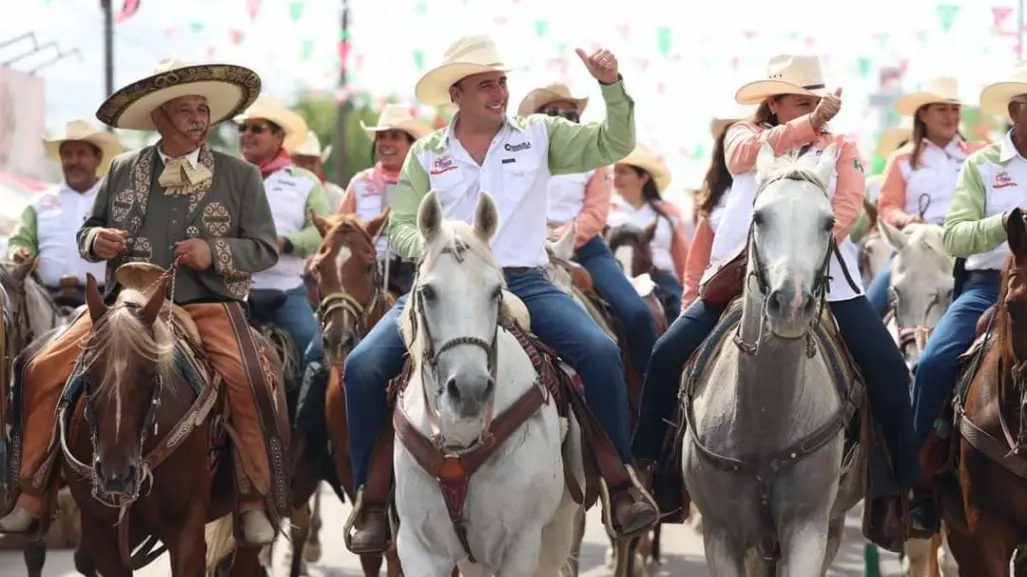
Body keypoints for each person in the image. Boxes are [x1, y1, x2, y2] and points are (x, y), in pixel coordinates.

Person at [341, 33, 658, 555]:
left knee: (600, 352)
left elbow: (613, 144)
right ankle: (371, 498)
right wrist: (433, 246)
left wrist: (612, 88)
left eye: (502, 82)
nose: (499, 92)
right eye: (486, 84)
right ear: (457, 93)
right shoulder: (427, 154)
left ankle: (618, 482)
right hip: (442, 281)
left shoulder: (539, 135)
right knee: (361, 366)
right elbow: (401, 226)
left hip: (524, 278)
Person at [0, 58, 287, 544]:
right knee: (38, 365)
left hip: (207, 305)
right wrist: (99, 242)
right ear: (159, 118)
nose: (199, 118)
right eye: (186, 110)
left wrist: (211, 252)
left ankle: (254, 496)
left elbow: (263, 249)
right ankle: (31, 490)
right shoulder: (121, 169)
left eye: (203, 109)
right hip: (124, 307)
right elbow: (86, 232)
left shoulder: (241, 176)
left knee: (252, 377)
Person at [631, 54, 922, 517]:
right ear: (774, 103)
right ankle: (652, 472)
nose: (813, 108)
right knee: (667, 353)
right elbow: (742, 159)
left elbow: (846, 207)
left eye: (816, 100)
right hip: (738, 276)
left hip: (825, 277)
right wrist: (810, 123)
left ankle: (903, 490)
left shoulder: (842, 148)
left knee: (888, 367)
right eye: (801, 101)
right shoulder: (744, 137)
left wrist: (806, 258)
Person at [909, 61, 1027, 531]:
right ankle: (919, 483)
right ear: (1017, 110)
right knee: (934, 362)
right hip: (987, 288)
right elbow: (954, 237)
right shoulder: (982, 166)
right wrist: (1006, 223)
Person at [519, 81, 658, 374]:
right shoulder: (516, 159)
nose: (565, 120)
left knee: (636, 313)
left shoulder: (594, 160)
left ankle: (649, 396)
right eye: (554, 113)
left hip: (585, 250)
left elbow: (596, 213)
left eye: (572, 114)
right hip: (525, 250)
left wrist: (558, 236)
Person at [865, 77, 982, 316]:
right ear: (923, 115)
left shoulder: (979, 153)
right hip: (917, 246)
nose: (950, 116)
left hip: (970, 244)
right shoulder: (901, 159)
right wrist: (905, 219)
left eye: (955, 109)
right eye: (942, 109)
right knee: (870, 306)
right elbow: (887, 206)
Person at [235, 95, 331, 368]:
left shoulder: (305, 181)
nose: (247, 135)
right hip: (231, 293)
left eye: (257, 128)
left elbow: (323, 229)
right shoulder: (227, 176)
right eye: (243, 128)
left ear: (278, 136)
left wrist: (286, 243)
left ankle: (309, 412)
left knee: (319, 357)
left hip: (286, 289)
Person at [7, 120, 123, 295]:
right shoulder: (39, 202)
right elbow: (20, 241)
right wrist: (20, 253)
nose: (74, 161)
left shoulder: (116, 200)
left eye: (81, 153)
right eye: (67, 154)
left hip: (103, 300)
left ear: (97, 158)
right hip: (45, 300)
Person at [338, 103, 431, 296]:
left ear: (411, 144)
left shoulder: (425, 183)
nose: (386, 143)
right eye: (381, 137)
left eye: (395, 137)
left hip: (415, 271)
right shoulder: (360, 182)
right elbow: (339, 232)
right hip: (364, 271)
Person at [679, 108, 750, 311]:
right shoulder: (715, 204)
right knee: (669, 344)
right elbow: (696, 265)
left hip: (779, 290)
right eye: (732, 138)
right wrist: (688, 306)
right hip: (722, 291)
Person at [609, 144, 689, 317]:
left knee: (676, 315)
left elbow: (681, 257)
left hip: (661, 279)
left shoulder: (668, 213)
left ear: (643, 178)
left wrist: (689, 289)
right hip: (618, 280)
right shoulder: (608, 211)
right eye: (616, 171)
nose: (617, 177)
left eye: (624, 172)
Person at [290, 130, 345, 211]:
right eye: (301, 160)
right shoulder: (283, 192)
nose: (307, 166)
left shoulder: (335, 195)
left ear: (319, 163)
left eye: (312, 161)